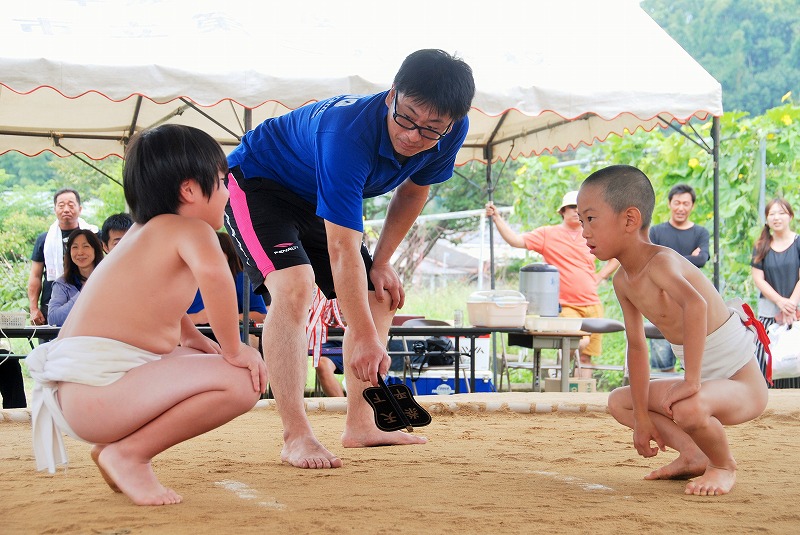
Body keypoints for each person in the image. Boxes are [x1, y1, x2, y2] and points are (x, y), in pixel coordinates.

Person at [224, 48, 475, 468]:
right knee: (295, 285)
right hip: (259, 183)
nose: (413, 136)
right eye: (406, 118)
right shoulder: (346, 134)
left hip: (317, 198)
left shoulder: (451, 130)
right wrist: (363, 335)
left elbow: (414, 191)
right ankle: (296, 436)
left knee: (380, 293)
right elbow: (342, 249)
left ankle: (362, 424)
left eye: (431, 129)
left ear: (450, 123)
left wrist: (382, 262)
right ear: (391, 95)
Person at [26, 124, 267, 506]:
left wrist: (191, 336)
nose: (227, 191)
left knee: (205, 357)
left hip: (83, 394)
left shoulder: (143, 232)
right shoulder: (192, 230)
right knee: (244, 380)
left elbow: (155, 296)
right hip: (98, 395)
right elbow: (216, 277)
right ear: (189, 189)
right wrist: (235, 348)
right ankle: (130, 453)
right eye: (222, 181)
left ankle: (116, 448)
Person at [579, 164, 768, 496]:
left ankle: (722, 465)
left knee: (688, 407)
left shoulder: (661, 262)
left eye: (591, 219)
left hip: (743, 387)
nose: (584, 232)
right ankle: (693, 454)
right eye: (582, 222)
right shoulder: (623, 281)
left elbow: (696, 305)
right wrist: (641, 419)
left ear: (630, 219)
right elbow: (637, 346)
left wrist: (691, 381)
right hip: (702, 384)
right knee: (622, 403)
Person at [486, 192, 619, 376]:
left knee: (586, 358)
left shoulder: (592, 234)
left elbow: (616, 254)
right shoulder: (547, 234)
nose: (576, 211)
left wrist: (601, 275)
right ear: (563, 211)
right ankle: (559, 376)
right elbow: (516, 241)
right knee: (578, 343)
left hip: (592, 304)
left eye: (579, 208)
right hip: (567, 304)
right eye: (571, 207)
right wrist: (497, 218)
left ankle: (583, 392)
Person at [648, 184, 710, 373]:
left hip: (691, 301)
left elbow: (702, 259)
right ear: (669, 204)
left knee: (695, 361)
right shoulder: (656, 232)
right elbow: (650, 262)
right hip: (661, 303)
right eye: (677, 203)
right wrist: (689, 258)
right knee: (663, 364)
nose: (681, 208)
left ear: (692, 206)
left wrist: (666, 260)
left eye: (686, 203)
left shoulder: (700, 233)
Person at [28, 188, 97, 325]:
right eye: (61, 205)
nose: (66, 209)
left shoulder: (94, 235)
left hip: (91, 301)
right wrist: (33, 308)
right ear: (55, 209)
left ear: (80, 209)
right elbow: (35, 275)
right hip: (52, 305)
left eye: (71, 205)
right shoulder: (45, 239)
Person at [750, 197, 800, 389]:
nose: (776, 217)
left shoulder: (798, 242)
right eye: (772, 214)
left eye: (781, 213)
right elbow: (758, 279)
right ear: (767, 218)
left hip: (796, 314)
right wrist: (780, 302)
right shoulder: (761, 245)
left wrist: (791, 305)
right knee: (765, 365)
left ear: (790, 216)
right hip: (769, 315)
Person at [188, 232, 267, 348]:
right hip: (190, 344)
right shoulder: (184, 280)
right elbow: (168, 319)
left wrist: (223, 318)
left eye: (216, 252)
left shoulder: (242, 279)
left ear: (228, 255)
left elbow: (261, 315)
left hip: (230, 345)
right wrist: (198, 317)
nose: (209, 257)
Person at [46, 229, 104, 326]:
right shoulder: (62, 284)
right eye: (75, 247)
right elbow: (53, 319)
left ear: (96, 250)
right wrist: (83, 293)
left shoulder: (107, 279)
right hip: (74, 335)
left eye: (86, 246)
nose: (80, 252)